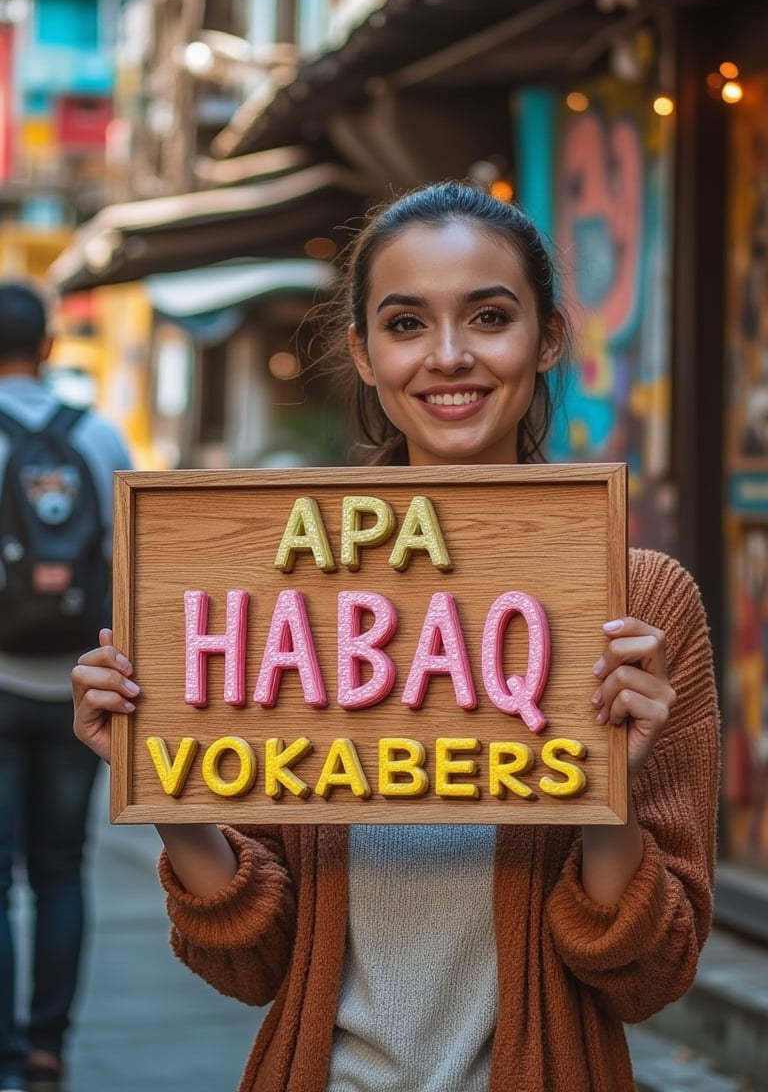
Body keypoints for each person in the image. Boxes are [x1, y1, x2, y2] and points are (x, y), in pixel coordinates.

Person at [72, 181, 720, 1092]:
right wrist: (162, 780)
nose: (448, 357)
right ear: (364, 354)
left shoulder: (643, 604)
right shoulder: (286, 587)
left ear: (547, 340)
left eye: (489, 316)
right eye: (406, 324)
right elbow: (250, 966)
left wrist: (605, 783)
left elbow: (653, 976)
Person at [0, 280, 132, 1092]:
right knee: (62, 867)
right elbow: (135, 563)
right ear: (48, 346)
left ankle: (5, 1059)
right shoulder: (101, 435)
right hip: (81, 687)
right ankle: (48, 1047)